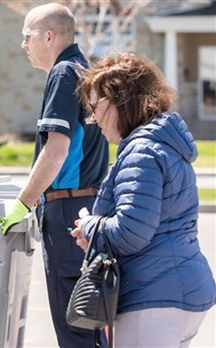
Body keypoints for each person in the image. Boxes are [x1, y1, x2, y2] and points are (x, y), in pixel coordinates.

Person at [71, 52, 216, 347]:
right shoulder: (162, 144)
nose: (93, 118)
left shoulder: (142, 152)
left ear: (120, 101)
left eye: (95, 106)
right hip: (178, 293)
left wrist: (89, 226)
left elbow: (130, 232)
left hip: (153, 300)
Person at [0, 3, 109, 347]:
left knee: (75, 329)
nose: (23, 44)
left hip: (66, 212)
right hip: (88, 206)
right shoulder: (83, 70)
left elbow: (56, 150)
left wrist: (22, 203)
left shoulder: (63, 73)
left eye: (26, 36)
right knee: (89, 324)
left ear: (49, 36)